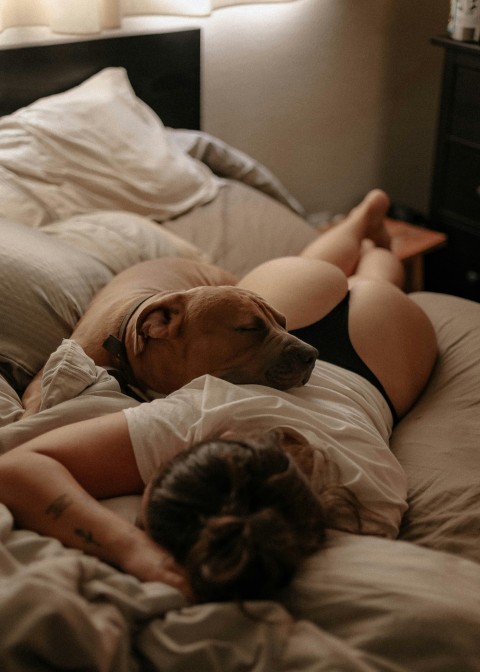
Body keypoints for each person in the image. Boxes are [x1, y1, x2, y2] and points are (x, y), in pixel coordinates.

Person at [0, 189, 438, 601]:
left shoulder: (376, 505)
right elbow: (21, 468)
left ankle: (370, 236)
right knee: (325, 276)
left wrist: (134, 551)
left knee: (375, 280)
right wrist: (130, 546)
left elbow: (15, 467)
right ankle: (368, 232)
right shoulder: (200, 412)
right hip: (318, 333)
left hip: (378, 353)